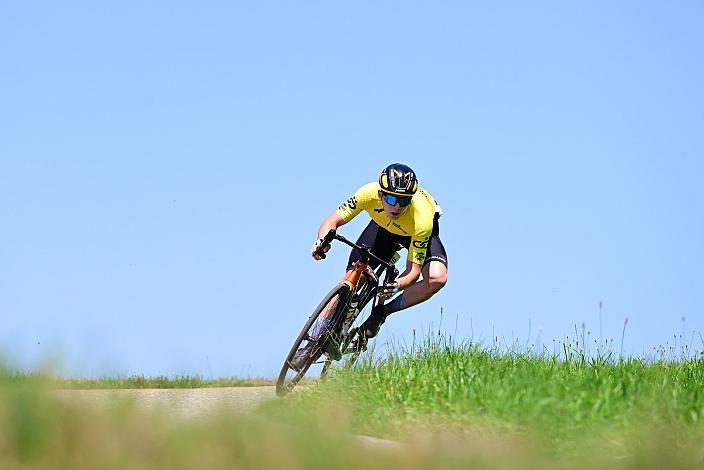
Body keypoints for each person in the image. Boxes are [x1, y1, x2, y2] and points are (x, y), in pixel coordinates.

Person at [290, 163, 448, 370]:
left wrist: (397, 285)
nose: (397, 206)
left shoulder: (422, 217)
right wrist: (322, 241)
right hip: (381, 230)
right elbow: (332, 221)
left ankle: (382, 313)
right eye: (391, 199)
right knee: (352, 276)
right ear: (381, 194)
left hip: (414, 235)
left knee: (438, 277)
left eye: (403, 201)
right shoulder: (367, 193)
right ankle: (314, 340)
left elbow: (413, 272)